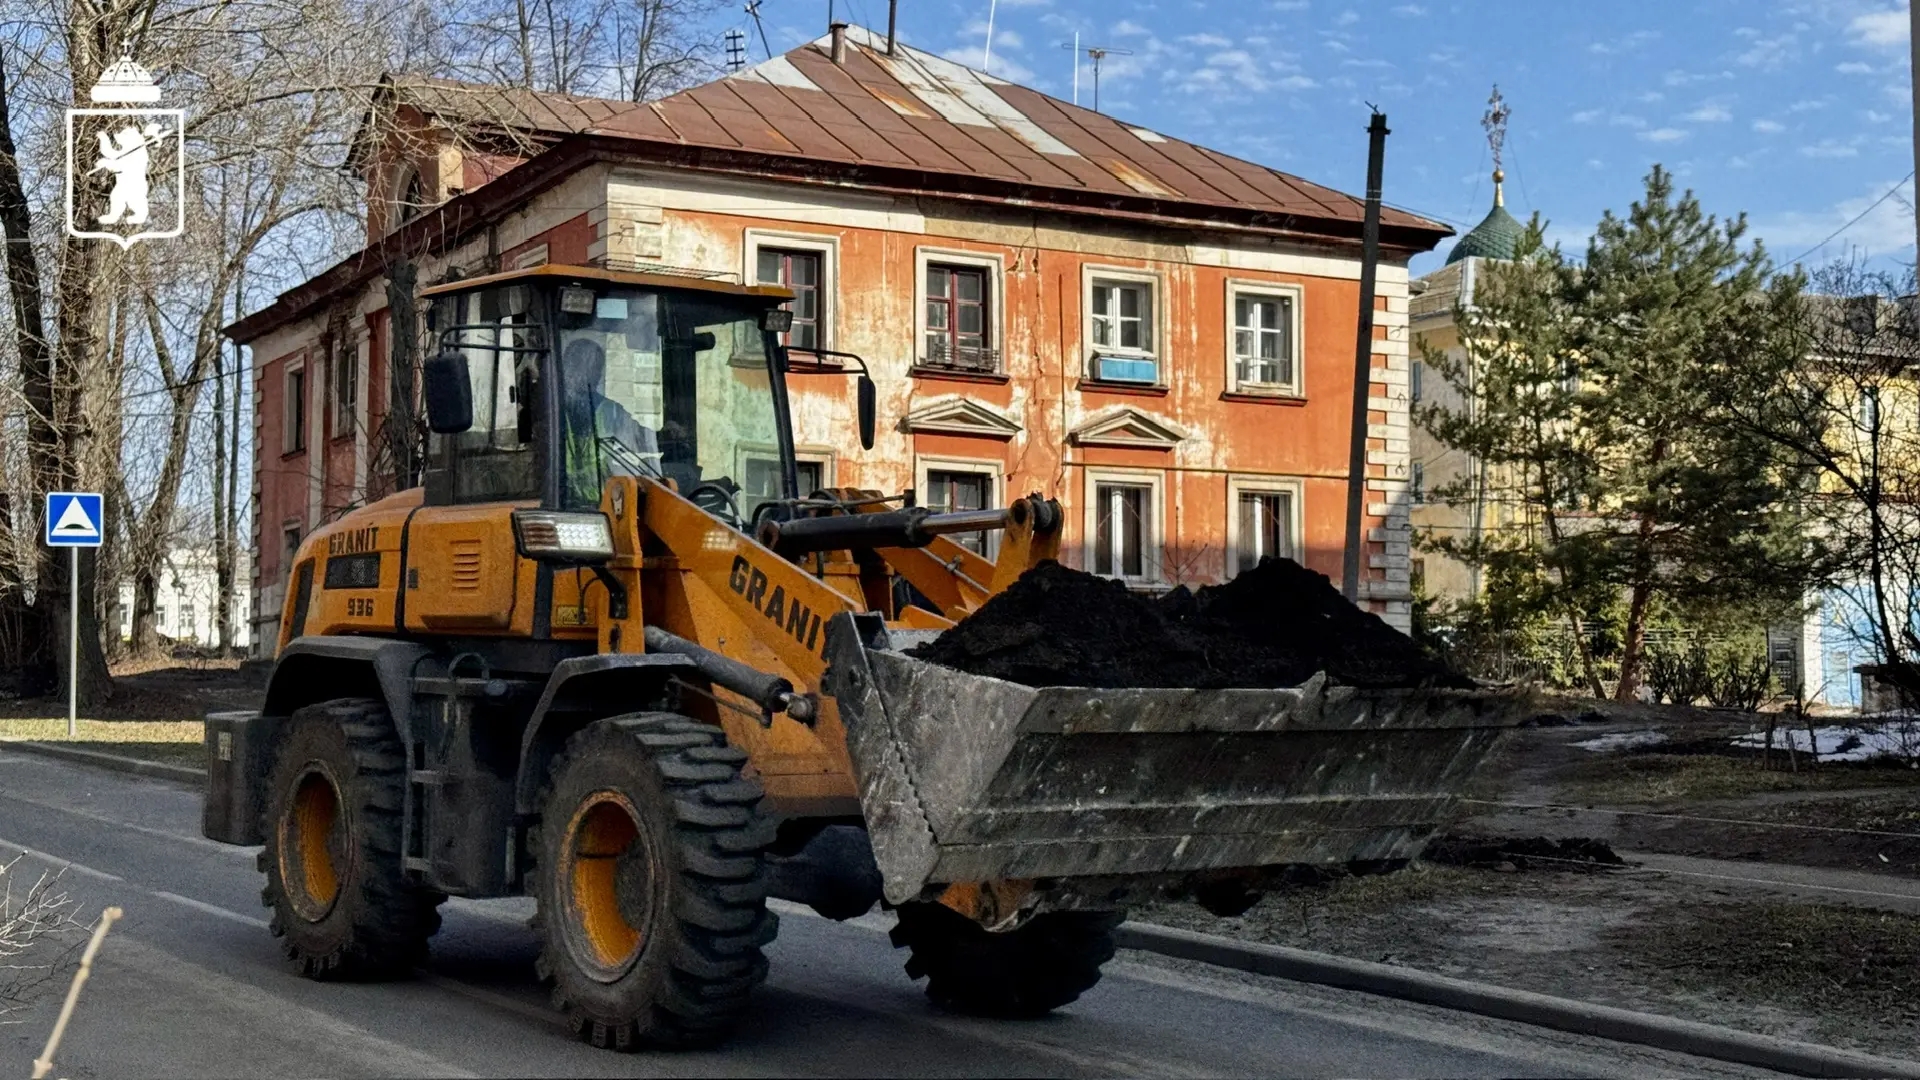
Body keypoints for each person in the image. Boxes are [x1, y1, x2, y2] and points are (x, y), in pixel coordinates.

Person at [559, 338, 658, 506]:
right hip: (563, 503)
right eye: (590, 368)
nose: (596, 374)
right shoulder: (551, 410)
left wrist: (667, 433)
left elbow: (642, 438)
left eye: (597, 368)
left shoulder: (612, 411)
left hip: (607, 504)